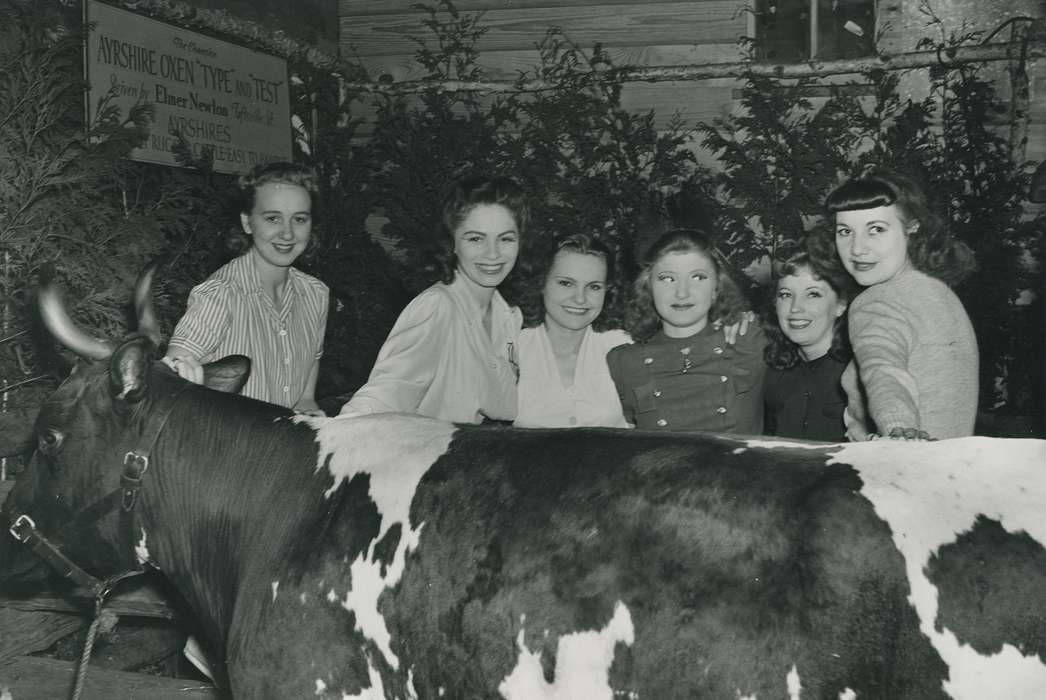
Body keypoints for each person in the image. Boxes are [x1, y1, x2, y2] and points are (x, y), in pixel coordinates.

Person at [339, 175, 525, 424]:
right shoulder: (437, 306)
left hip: (476, 444)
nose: (493, 254)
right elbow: (387, 390)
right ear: (452, 243)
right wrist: (339, 431)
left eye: (506, 238)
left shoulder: (510, 314)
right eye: (475, 239)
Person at [813, 167, 979, 441]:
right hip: (952, 462)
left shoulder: (877, 300)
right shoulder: (942, 293)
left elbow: (883, 371)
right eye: (845, 231)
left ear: (912, 227)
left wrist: (898, 428)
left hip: (903, 461)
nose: (857, 248)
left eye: (876, 229)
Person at [165, 161, 329, 414]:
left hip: (287, 434)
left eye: (299, 219)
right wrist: (180, 367)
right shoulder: (220, 294)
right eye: (273, 218)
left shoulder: (315, 293)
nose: (287, 234)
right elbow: (175, 364)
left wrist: (307, 403)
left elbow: (310, 369)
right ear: (247, 222)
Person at [607, 228, 767, 433]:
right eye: (667, 278)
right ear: (648, 287)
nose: (682, 293)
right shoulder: (624, 362)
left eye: (698, 277)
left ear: (717, 288)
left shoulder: (750, 340)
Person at [514, 233, 631, 428]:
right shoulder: (513, 348)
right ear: (541, 283)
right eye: (566, 283)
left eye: (594, 287)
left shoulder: (623, 347)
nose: (580, 298)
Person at [763, 246, 854, 441]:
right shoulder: (770, 368)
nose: (795, 308)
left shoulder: (859, 371)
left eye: (813, 294)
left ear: (841, 305)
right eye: (786, 294)